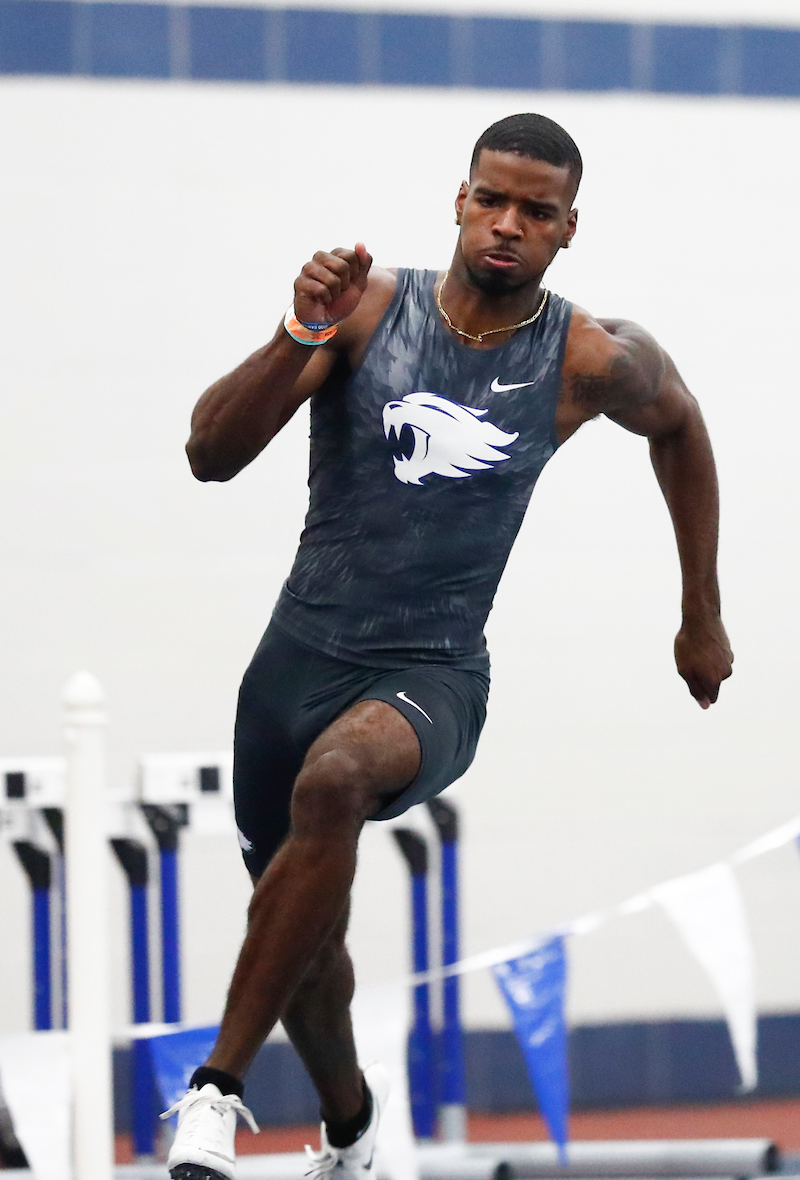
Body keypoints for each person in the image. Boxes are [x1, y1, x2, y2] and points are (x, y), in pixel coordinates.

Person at [163, 113, 733, 1180]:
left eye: (536, 211)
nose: (507, 225)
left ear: (569, 229)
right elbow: (208, 454)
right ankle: (350, 1128)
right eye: (492, 199)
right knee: (306, 958)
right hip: (291, 667)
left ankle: (213, 1091)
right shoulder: (366, 311)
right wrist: (297, 329)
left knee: (335, 783)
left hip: (431, 674)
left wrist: (697, 612)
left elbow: (682, 427)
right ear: (459, 198)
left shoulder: (588, 357)